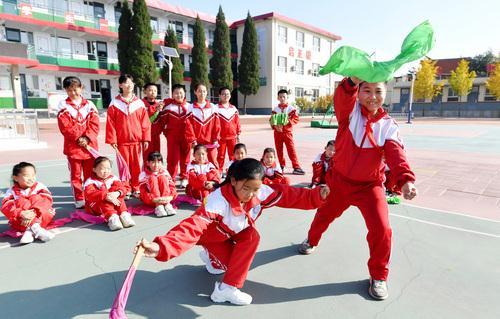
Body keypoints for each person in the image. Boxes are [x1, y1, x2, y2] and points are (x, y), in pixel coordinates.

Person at [134, 158, 330, 305]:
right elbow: (191, 227)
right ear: (234, 181)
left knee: (252, 236)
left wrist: (317, 195)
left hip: (234, 231)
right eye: (246, 188)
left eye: (255, 188)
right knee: (233, 266)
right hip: (211, 237)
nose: (251, 194)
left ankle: (213, 262)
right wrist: (160, 246)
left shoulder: (259, 191)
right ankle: (225, 290)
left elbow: (289, 195)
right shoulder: (216, 202)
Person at [297, 77, 418, 300]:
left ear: (385, 93)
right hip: (339, 182)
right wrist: (352, 81)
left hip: (369, 187)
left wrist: (406, 181)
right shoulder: (349, 114)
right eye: (367, 90)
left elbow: (396, 156)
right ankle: (311, 240)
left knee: (382, 229)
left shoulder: (389, 126)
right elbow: (342, 98)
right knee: (324, 215)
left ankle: (379, 276)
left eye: (378, 91)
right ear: (359, 93)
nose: (372, 96)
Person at [57, 76, 99, 209]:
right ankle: (79, 198)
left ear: (81, 88)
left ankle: (89, 195)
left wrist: (86, 138)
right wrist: (78, 138)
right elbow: (65, 126)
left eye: (76, 89)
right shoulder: (63, 106)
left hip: (89, 146)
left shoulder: (90, 105)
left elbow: (95, 124)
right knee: (75, 175)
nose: (73, 93)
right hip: (73, 148)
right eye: (69, 90)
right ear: (65, 90)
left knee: (90, 174)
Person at [105, 74, 151, 198]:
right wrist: (112, 140)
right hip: (122, 142)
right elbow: (111, 123)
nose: (129, 85)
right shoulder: (114, 103)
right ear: (120, 85)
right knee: (123, 167)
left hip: (137, 142)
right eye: (125, 83)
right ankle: (126, 188)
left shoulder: (139, 103)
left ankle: (136, 187)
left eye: (131, 82)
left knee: (137, 165)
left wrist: (145, 138)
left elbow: (145, 123)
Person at [1, 162, 55, 244]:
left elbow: (47, 200)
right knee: (20, 200)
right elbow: (6, 207)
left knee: (35, 198)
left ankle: (30, 231)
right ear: (15, 178)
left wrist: (33, 212)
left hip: (41, 217)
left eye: (33, 175)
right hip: (21, 221)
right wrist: (21, 213)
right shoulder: (11, 192)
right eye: (27, 176)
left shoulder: (39, 186)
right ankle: (35, 229)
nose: (31, 178)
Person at [84, 156, 136, 231]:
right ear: (94, 169)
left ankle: (124, 214)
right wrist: (106, 196)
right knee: (104, 196)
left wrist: (117, 193)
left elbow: (123, 189)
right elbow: (89, 194)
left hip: (113, 202)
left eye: (108, 168)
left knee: (117, 193)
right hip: (96, 206)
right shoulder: (90, 181)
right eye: (102, 169)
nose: (106, 171)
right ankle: (112, 217)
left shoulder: (113, 178)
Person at [160, 84, 190, 188]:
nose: (179, 95)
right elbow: (163, 123)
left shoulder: (189, 107)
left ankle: (184, 177)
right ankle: (171, 178)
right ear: (172, 94)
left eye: (181, 93)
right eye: (176, 93)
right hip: (173, 137)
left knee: (185, 158)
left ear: (185, 93)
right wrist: (167, 133)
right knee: (172, 159)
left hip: (186, 137)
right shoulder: (168, 107)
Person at [270, 89, 305, 175]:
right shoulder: (275, 109)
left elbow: (296, 119)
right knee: (279, 150)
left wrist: (286, 121)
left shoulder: (291, 109)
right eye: (280, 97)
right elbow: (271, 120)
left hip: (287, 132)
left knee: (291, 149)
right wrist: (275, 126)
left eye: (284, 97)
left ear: (287, 97)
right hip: (277, 133)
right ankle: (282, 166)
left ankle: (296, 167)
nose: (282, 98)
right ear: (278, 98)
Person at [185, 83, 221, 168]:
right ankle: (199, 179)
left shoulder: (213, 107)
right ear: (195, 92)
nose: (202, 93)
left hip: (211, 141)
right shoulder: (191, 107)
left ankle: (215, 179)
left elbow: (217, 125)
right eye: (200, 91)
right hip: (197, 142)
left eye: (204, 91)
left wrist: (216, 138)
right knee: (199, 162)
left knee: (212, 160)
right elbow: (188, 126)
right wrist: (193, 140)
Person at [139, 151, 177, 217]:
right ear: (147, 163)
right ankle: (158, 207)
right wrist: (153, 199)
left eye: (158, 162)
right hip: (153, 200)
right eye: (153, 162)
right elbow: (143, 192)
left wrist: (170, 196)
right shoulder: (143, 174)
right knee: (152, 178)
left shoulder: (164, 172)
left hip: (166, 199)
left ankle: (167, 205)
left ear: (162, 163)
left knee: (162, 177)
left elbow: (172, 186)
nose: (156, 165)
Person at [216, 87, 241, 173]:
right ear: (219, 96)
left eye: (227, 94)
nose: (225, 95)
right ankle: (219, 171)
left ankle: (232, 171)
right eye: (223, 94)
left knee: (233, 155)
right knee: (220, 155)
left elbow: (237, 122)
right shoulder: (216, 108)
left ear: (230, 95)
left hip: (232, 136)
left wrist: (238, 133)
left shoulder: (233, 108)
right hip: (221, 137)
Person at [142, 83, 163, 163]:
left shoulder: (159, 105)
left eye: (155, 90)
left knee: (157, 156)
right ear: (145, 92)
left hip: (156, 135)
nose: (153, 92)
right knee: (147, 156)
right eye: (150, 90)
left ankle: (156, 173)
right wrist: (156, 109)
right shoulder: (141, 104)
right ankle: (146, 173)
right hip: (145, 136)